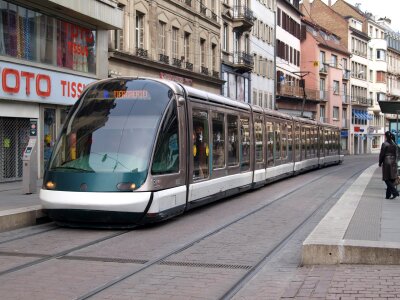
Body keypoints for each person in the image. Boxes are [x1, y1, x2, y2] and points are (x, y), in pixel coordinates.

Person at [379, 131, 399, 199]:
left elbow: (382, 154)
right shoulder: (395, 144)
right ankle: (388, 196)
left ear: (386, 136)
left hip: (387, 161)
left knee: (386, 178)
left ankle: (395, 192)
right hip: (394, 161)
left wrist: (380, 162)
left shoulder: (385, 144)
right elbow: (397, 154)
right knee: (391, 178)